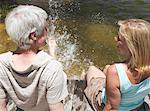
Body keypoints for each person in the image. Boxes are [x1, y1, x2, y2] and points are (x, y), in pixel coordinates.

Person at [0, 5, 68, 111]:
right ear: (33, 36)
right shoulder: (52, 68)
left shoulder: (2, 63)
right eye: (45, 29)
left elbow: (1, 106)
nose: (47, 31)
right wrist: (53, 56)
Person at [81, 19, 150, 111]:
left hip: (105, 102)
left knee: (92, 70)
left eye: (119, 38)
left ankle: (83, 80)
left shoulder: (115, 71)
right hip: (136, 106)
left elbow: (111, 108)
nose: (115, 39)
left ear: (131, 46)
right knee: (107, 69)